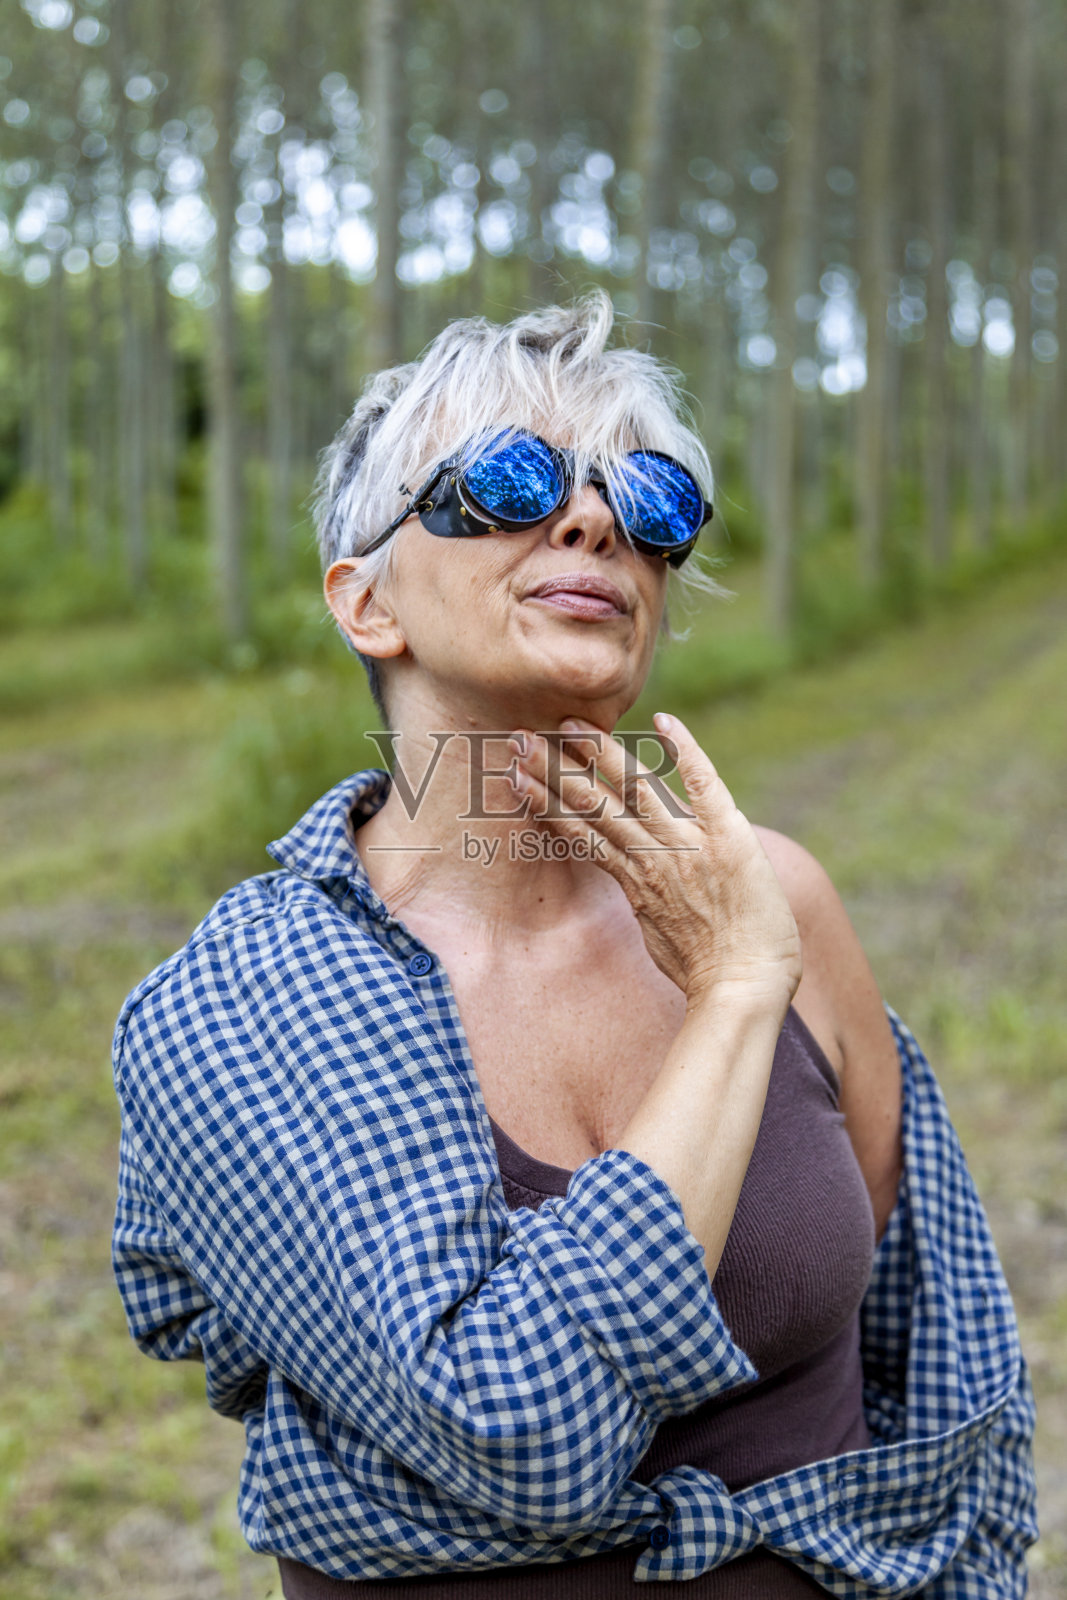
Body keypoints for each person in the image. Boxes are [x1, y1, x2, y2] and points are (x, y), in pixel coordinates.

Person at [111, 294, 1036, 1596]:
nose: (595, 519)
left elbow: (930, 1353)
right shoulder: (244, 998)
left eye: (649, 500)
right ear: (366, 603)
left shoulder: (777, 900)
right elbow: (520, 1435)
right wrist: (729, 1004)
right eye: (507, 480)